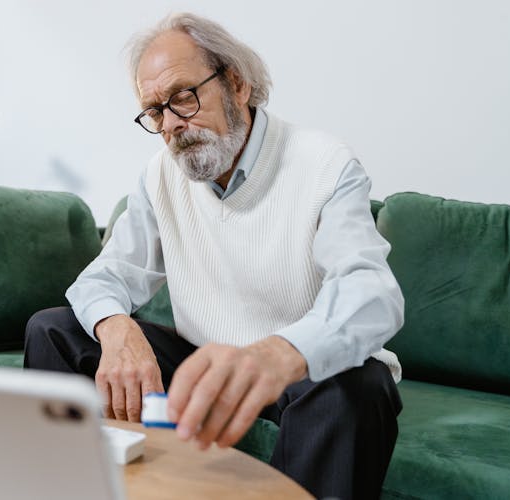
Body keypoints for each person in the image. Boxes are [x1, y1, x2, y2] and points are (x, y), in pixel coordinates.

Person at [24, 12, 403, 499]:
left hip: (300, 372)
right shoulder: (160, 174)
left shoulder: (326, 163)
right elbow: (105, 277)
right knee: (53, 330)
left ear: (237, 85)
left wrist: (276, 354)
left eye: (183, 96)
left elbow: (372, 294)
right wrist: (118, 329)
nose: (172, 125)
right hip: (204, 362)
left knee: (356, 388)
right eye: (156, 111)